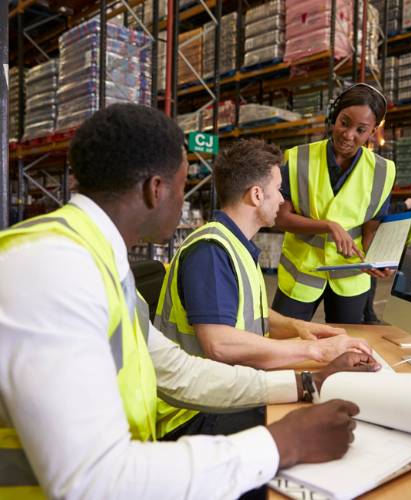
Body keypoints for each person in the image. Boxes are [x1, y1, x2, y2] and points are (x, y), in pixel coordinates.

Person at [0, 104, 380, 499]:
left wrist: (306, 382)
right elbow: (93, 482)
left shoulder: (99, 260)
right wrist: (282, 443)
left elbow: (178, 371)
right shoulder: (53, 267)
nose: (186, 203)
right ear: (156, 190)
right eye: (184, 187)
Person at [155, 138, 371, 439]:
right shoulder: (210, 251)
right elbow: (220, 343)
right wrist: (316, 351)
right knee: (328, 418)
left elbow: (248, 312)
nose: (282, 199)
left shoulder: (234, 244)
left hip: (225, 393)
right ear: (257, 195)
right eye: (278, 189)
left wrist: (298, 327)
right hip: (193, 413)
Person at [273, 83, 396, 324]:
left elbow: (371, 227)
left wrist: (377, 259)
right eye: (345, 122)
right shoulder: (297, 158)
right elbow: (281, 218)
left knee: (346, 348)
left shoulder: (383, 171)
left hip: (350, 276)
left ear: (372, 132)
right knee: (282, 339)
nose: (349, 135)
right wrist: (328, 226)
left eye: (361, 130)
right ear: (334, 117)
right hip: (302, 272)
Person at [363, 196, 411, 324]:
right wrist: (403, 205)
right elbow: (379, 211)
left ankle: (369, 315)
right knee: (368, 279)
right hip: (364, 245)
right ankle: (368, 316)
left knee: (370, 279)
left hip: (368, 243)